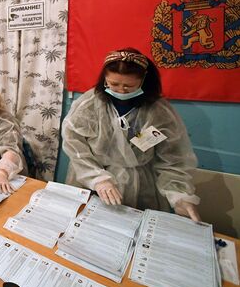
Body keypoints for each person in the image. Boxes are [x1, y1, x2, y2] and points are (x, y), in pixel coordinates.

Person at [62, 48, 201, 221]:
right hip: (91, 180)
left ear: (143, 81)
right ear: (104, 79)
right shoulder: (89, 104)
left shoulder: (158, 112)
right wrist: (97, 179)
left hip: (139, 184)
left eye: (128, 86)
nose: (121, 90)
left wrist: (179, 196)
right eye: (113, 84)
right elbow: (74, 145)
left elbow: (174, 160)